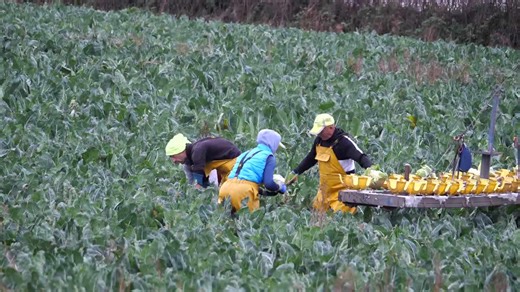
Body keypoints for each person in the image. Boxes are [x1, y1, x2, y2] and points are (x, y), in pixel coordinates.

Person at [287, 113, 372, 213]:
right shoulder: (319, 141)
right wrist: (296, 172)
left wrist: (371, 171)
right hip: (324, 192)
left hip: (343, 193)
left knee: (338, 219)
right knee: (316, 215)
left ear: (331, 128)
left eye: (321, 131)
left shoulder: (344, 142)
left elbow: (361, 157)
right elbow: (310, 159)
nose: (319, 134)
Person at [218, 129, 287, 213]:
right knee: (248, 222)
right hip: (244, 192)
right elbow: (268, 183)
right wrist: (279, 187)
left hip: (225, 188)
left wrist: (262, 192)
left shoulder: (246, 153)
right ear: (273, 144)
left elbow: (242, 178)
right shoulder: (269, 157)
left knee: (228, 222)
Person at [165, 134, 241, 188]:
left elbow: (199, 171)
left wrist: (198, 187)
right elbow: (194, 181)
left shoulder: (198, 149)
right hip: (221, 166)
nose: (173, 161)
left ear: (181, 151)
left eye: (173, 156)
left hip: (234, 162)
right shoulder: (188, 161)